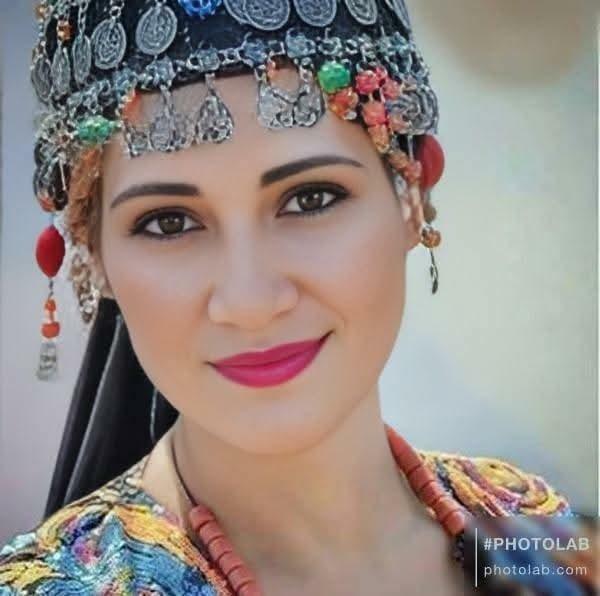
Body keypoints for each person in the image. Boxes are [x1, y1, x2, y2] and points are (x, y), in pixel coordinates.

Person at [0, 0, 579, 594]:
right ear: (94, 254)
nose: (250, 300)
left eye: (310, 199)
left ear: (413, 195)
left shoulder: (542, 535)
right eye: (170, 223)